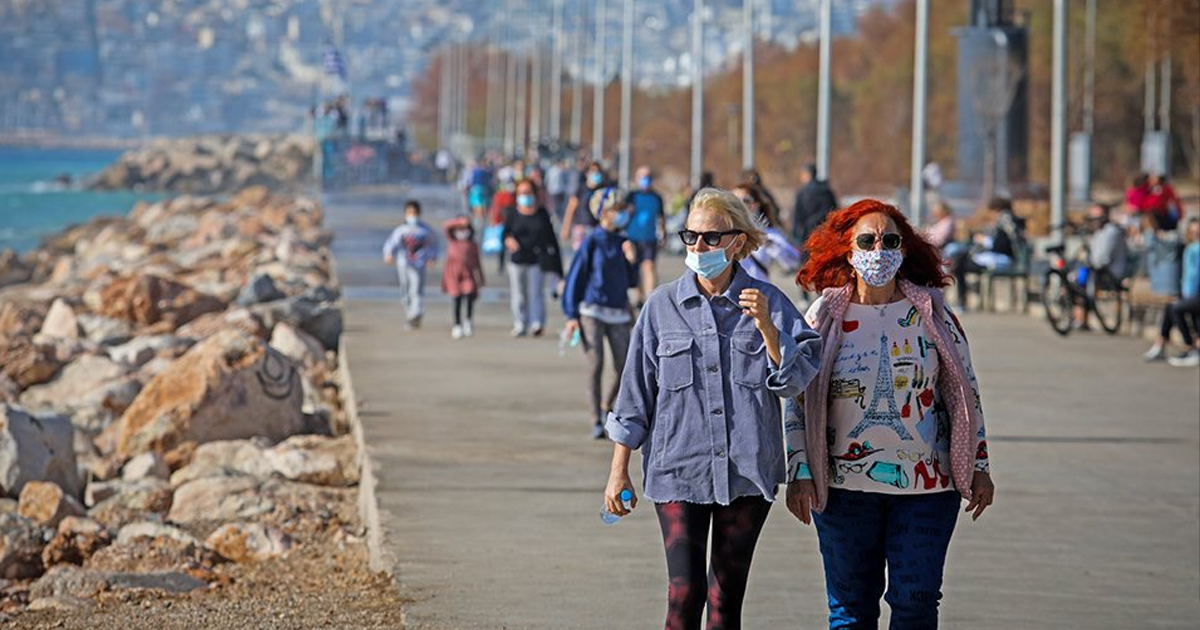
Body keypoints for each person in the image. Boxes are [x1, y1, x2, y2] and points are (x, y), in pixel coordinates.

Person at [603, 188, 822, 630]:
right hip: (677, 469)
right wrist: (618, 470)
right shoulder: (661, 307)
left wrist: (768, 331)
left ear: (737, 242)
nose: (698, 248)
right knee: (685, 594)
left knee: (725, 603)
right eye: (690, 237)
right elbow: (634, 395)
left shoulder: (768, 302)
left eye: (710, 238)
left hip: (746, 472)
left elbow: (798, 383)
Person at [786, 198, 995, 629]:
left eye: (890, 240)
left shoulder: (932, 312)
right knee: (850, 611)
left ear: (904, 249)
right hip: (843, 491)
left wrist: (979, 464)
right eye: (867, 239)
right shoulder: (823, 316)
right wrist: (799, 470)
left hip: (928, 490)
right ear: (847, 249)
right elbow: (797, 400)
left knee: (916, 604)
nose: (878, 249)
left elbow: (964, 393)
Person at [562, 187, 640, 439]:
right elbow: (576, 277)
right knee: (596, 364)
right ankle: (595, 417)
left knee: (624, 365)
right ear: (603, 212)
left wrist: (632, 259)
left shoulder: (623, 242)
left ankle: (608, 405)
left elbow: (631, 281)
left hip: (617, 310)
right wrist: (571, 315)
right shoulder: (592, 241)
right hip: (591, 310)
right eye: (616, 210)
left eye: (622, 210)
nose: (621, 214)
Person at [503, 178, 559, 337]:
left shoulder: (542, 214)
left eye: (528, 193)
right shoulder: (512, 213)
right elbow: (505, 233)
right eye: (521, 193)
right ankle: (520, 323)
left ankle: (537, 323)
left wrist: (557, 266)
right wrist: (508, 240)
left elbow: (551, 239)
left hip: (537, 259)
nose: (525, 196)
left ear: (535, 194)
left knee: (536, 293)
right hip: (517, 260)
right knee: (518, 294)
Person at [951, 196, 1026, 311]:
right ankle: (961, 301)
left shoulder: (1006, 219)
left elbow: (1001, 244)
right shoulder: (1009, 219)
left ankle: (962, 302)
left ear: (996, 209)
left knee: (959, 263)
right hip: (998, 257)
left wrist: (983, 240)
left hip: (1001, 259)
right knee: (960, 260)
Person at [1145, 218, 1200, 367]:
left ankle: (1191, 347)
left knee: (1176, 307)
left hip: (1194, 294)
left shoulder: (1194, 249)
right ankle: (1161, 343)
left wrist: (1186, 295)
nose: (1195, 233)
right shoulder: (1190, 247)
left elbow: (1194, 275)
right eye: (1193, 230)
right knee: (1172, 306)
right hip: (1191, 293)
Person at [382, 200, 440, 330]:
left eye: (414, 212)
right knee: (405, 290)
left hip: (419, 264)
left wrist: (432, 257)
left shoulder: (425, 230)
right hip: (403, 263)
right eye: (409, 212)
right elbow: (392, 243)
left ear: (419, 213)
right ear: (405, 214)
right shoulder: (401, 230)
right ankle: (411, 315)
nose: (412, 215)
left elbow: (434, 244)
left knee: (416, 289)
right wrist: (389, 254)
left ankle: (416, 312)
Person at [1072, 204, 1129, 330]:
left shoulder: (1111, 233)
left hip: (1110, 273)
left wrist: (1087, 260)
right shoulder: (1100, 232)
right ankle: (1080, 318)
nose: (1092, 222)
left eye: (1094, 218)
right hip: (1098, 271)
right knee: (1078, 278)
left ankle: (1081, 318)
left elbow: (1101, 260)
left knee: (1081, 280)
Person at [732, 182, 801, 284]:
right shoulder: (722, 233)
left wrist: (770, 245)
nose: (739, 205)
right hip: (729, 294)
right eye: (734, 200)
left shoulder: (768, 234)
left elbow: (793, 262)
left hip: (757, 293)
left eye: (745, 200)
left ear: (756, 205)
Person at [624, 166, 667, 307]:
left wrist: (664, 235)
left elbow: (661, 217)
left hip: (650, 238)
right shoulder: (631, 196)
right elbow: (623, 215)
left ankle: (650, 295)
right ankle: (638, 297)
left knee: (649, 266)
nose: (645, 179)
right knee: (634, 268)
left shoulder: (656, 197)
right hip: (633, 237)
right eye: (642, 176)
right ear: (637, 179)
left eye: (647, 176)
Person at [442, 216, 485, 339]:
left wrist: (481, 277)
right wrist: (459, 221)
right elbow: (446, 226)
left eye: (464, 228)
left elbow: (477, 262)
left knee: (469, 295)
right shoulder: (452, 240)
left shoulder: (472, 244)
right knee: (457, 299)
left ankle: (468, 322)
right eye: (459, 229)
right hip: (453, 274)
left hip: (468, 274)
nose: (462, 231)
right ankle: (457, 324)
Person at [561, 161, 609, 251]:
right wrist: (566, 228)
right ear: (587, 173)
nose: (596, 174)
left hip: (597, 228)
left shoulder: (603, 191)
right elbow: (571, 209)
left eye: (598, 171)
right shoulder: (581, 189)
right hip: (581, 229)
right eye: (593, 171)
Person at [792, 163, 839, 250]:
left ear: (806, 175)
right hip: (825, 232)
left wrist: (795, 236)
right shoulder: (827, 191)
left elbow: (797, 215)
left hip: (807, 234)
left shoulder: (802, 192)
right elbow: (834, 211)